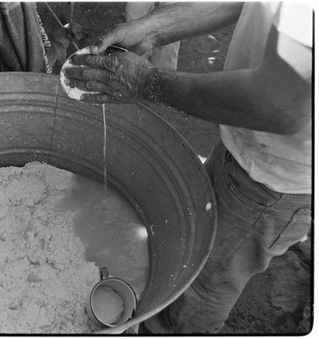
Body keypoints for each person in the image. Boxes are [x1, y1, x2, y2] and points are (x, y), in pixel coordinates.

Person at [63, 2, 312, 334]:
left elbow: (279, 106)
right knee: (197, 248)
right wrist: (155, 29)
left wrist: (146, 82)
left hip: (277, 179)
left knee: (200, 292)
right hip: (250, 146)